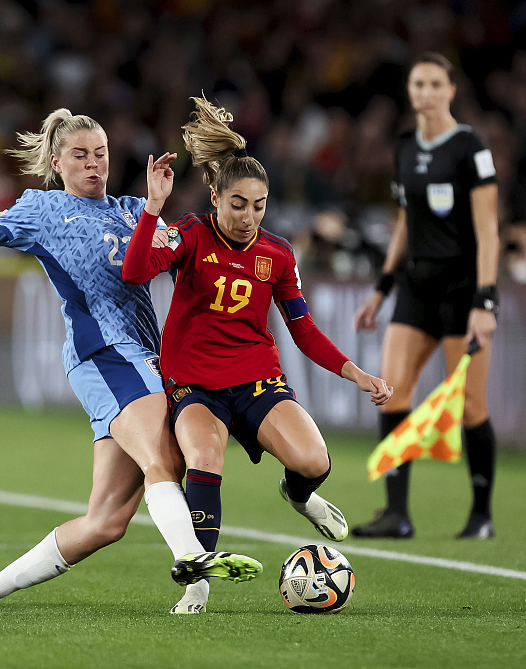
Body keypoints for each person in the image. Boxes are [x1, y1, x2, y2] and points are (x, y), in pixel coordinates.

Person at [0, 109, 261, 615]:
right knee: (164, 458)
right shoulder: (42, 210)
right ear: (57, 163)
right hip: (104, 355)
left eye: (100, 153)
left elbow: (196, 261)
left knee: (106, 522)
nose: (93, 164)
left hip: (147, 357)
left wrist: (220, 201)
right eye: (80, 155)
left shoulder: (135, 210)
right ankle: (193, 568)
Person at [122, 96, 392, 613]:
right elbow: (135, 272)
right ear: (215, 197)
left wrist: (355, 373)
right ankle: (198, 582)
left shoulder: (278, 254)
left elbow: (303, 330)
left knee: (314, 461)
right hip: (195, 384)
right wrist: (152, 208)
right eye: (238, 204)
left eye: (259, 205)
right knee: (205, 458)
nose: (249, 217)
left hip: (256, 381)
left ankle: (298, 495)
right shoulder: (189, 234)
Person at [352, 52, 500, 540]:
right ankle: (397, 514)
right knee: (391, 391)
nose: (427, 92)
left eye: (436, 84)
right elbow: (405, 222)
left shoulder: (470, 148)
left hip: (462, 289)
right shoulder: (403, 147)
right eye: (419, 84)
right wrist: (382, 288)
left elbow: (488, 231)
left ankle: (481, 515)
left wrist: (486, 301)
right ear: (410, 91)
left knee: (470, 407)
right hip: (416, 286)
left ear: (451, 90)